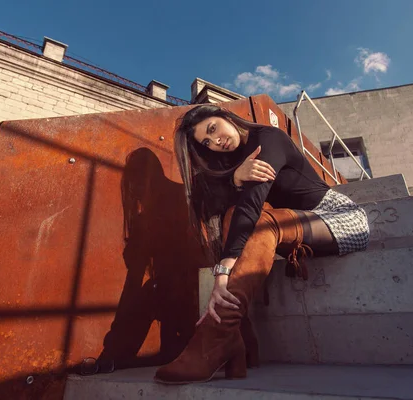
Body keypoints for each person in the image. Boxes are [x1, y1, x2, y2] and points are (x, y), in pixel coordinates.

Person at [154, 105, 369, 384]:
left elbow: (252, 205)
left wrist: (223, 270)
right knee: (235, 216)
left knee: (260, 218)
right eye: (207, 142)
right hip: (288, 229)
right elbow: (215, 207)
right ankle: (237, 337)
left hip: (338, 219)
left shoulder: (268, 139)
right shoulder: (234, 163)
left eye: (213, 128)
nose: (216, 141)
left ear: (227, 116)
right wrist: (234, 177)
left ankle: (218, 337)